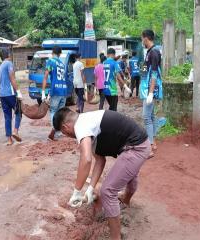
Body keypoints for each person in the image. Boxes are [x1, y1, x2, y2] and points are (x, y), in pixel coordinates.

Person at [53, 108, 150, 240]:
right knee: (130, 174)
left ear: (65, 127)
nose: (68, 135)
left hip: (135, 148)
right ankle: (126, 201)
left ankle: (115, 237)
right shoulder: (89, 121)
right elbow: (99, 160)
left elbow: (86, 159)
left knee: (107, 191)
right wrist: (90, 188)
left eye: (64, 133)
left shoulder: (80, 126)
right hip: (139, 143)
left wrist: (77, 191)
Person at [140, 29, 163, 157]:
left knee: (146, 117)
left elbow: (154, 74)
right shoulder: (150, 52)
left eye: (142, 38)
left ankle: (149, 147)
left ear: (146, 38)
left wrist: (150, 93)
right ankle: (153, 142)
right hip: (148, 88)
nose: (141, 41)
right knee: (152, 116)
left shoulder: (153, 53)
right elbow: (146, 70)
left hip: (151, 89)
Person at [41, 46, 68, 140]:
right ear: (60, 54)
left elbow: (45, 77)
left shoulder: (51, 61)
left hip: (55, 90)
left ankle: (55, 129)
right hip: (64, 90)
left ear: (52, 52)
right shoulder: (62, 64)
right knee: (60, 112)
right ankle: (59, 131)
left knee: (53, 110)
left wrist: (43, 92)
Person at [0, 49, 22, 146]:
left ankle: (9, 140)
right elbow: (12, 78)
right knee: (19, 112)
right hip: (10, 93)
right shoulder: (9, 63)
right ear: (8, 54)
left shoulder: (1, 66)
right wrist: (19, 92)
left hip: (2, 94)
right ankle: (15, 131)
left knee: (7, 117)